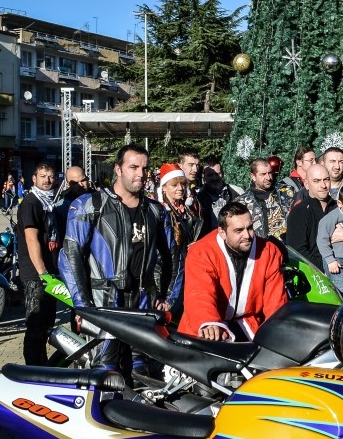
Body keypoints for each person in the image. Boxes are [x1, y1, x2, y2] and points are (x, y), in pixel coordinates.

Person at [59, 145, 173, 378]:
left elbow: (169, 256)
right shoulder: (89, 205)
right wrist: (83, 305)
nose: (141, 174)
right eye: (133, 167)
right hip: (104, 303)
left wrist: (164, 295)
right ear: (118, 169)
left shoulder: (156, 211)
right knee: (105, 373)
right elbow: (70, 256)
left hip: (143, 304)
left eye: (145, 168)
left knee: (142, 373)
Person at [178, 200, 288, 341]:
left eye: (250, 228)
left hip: (249, 324)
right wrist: (209, 322)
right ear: (222, 232)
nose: (247, 235)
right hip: (208, 325)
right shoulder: (201, 252)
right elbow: (199, 292)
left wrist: (278, 330)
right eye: (238, 230)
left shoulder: (269, 251)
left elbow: (275, 300)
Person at [17, 162, 59, 366]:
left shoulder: (48, 202)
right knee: (36, 325)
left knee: (45, 323)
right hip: (37, 274)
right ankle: (33, 369)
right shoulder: (32, 203)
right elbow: (31, 238)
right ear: (34, 179)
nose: (47, 180)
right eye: (42, 176)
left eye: (50, 176)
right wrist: (43, 273)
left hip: (48, 273)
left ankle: (42, 365)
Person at [158, 162, 202, 320]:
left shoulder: (189, 210)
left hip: (188, 275)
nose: (180, 188)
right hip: (170, 280)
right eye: (174, 185)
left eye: (183, 184)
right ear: (164, 187)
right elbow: (158, 260)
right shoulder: (160, 212)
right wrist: (162, 295)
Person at [284, 162, 335, 266]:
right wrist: (326, 268)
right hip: (316, 271)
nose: (323, 185)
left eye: (326, 179)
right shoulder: (299, 212)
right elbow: (297, 250)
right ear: (306, 184)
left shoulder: (341, 208)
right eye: (316, 181)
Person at [236, 157, 296, 239]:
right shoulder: (242, 202)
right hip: (262, 245)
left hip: (289, 243)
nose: (268, 177)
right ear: (253, 176)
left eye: (270, 173)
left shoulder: (286, 192)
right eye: (263, 174)